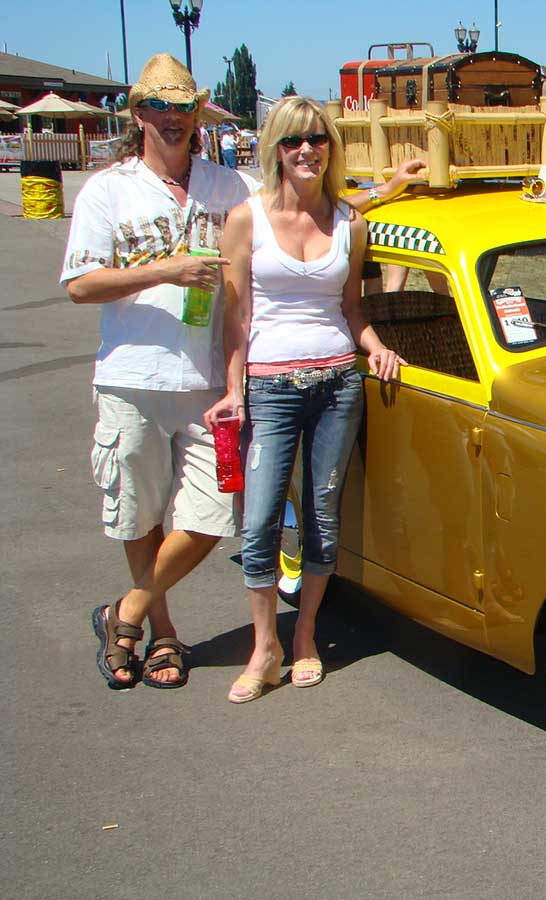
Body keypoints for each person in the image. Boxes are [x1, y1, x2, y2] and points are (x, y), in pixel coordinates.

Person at [204, 96, 417, 703]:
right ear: (275, 148)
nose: (306, 151)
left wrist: (375, 347)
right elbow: (237, 316)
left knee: (324, 514)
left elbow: (351, 308)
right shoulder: (246, 218)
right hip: (269, 385)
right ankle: (264, 645)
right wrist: (233, 388)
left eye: (317, 141)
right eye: (294, 141)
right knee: (261, 517)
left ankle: (306, 636)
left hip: (336, 381)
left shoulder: (350, 221)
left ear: (331, 148)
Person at [61, 53, 253, 689]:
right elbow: (81, 285)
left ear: (198, 114)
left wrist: (387, 189)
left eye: (183, 107)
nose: (172, 118)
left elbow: (294, 204)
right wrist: (164, 271)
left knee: (210, 517)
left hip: (207, 384)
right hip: (132, 379)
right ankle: (164, 635)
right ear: (139, 114)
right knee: (140, 518)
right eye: (159, 107)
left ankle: (127, 611)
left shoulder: (227, 187)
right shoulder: (108, 189)